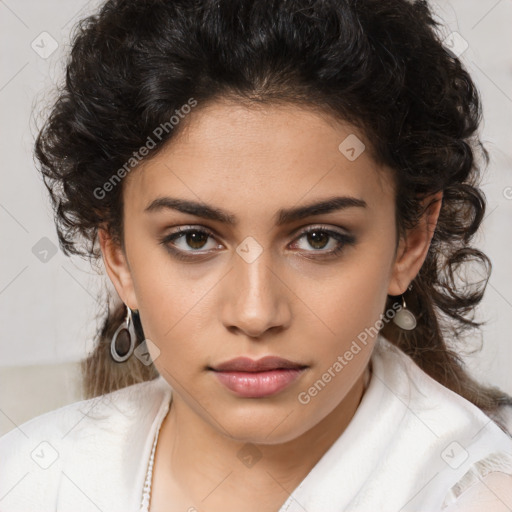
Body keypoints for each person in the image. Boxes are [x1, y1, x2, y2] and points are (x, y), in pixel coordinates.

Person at [1, 0, 512, 510]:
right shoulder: (29, 483)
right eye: (194, 239)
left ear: (411, 241)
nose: (255, 313)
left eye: (318, 238)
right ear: (117, 254)